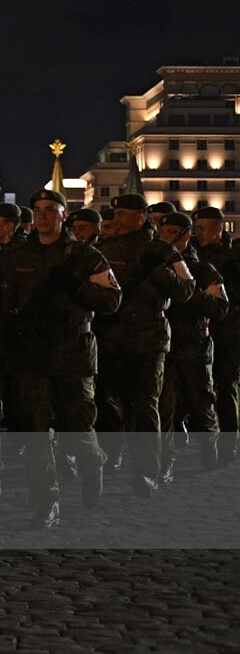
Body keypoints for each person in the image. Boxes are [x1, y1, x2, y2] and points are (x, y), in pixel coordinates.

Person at [0, 189, 120, 527]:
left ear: (63, 214)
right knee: (36, 432)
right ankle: (46, 501)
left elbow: (112, 300)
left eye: (50, 209)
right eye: (37, 209)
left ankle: (92, 463)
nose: (42, 216)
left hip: (72, 352)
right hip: (32, 353)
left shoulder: (85, 256)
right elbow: (4, 300)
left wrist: (78, 288)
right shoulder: (19, 254)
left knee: (78, 427)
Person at [95, 193, 195, 496]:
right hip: (112, 340)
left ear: (141, 216)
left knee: (145, 406)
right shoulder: (107, 249)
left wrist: (158, 270)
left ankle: (147, 471)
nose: (118, 220)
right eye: (117, 215)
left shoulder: (163, 251)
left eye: (124, 214)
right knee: (114, 404)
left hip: (148, 340)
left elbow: (186, 290)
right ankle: (115, 453)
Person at [158, 211, 224, 477]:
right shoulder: (156, 266)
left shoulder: (202, 269)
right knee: (165, 407)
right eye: (164, 233)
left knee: (202, 404)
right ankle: (165, 462)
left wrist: (187, 290)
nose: (167, 238)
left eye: (174, 233)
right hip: (165, 346)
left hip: (194, 345)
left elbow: (220, 307)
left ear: (186, 237)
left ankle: (210, 447)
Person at [193, 206, 240, 465]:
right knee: (202, 391)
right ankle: (208, 446)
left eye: (202, 228)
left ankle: (227, 446)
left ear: (218, 229)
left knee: (225, 388)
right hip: (198, 331)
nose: (197, 232)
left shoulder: (231, 258)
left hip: (227, 331)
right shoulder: (194, 255)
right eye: (196, 227)